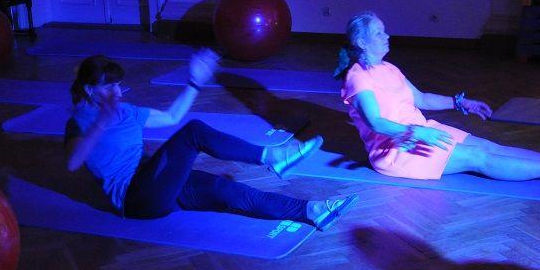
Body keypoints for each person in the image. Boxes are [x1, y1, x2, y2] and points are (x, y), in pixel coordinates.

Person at [65, 51, 356, 230]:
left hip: (158, 181)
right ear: (90, 90)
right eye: (109, 87)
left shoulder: (126, 111)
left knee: (229, 191)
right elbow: (73, 162)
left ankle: (312, 211)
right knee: (193, 133)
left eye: (118, 85)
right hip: (136, 199)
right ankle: (274, 157)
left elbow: (171, 116)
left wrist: (194, 81)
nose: (117, 92)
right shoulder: (79, 123)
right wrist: (102, 122)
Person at [334, 12, 540, 187]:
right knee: (478, 157)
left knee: (488, 145)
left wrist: (459, 103)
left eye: (384, 31)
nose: (387, 36)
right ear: (362, 42)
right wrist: (416, 132)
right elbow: (376, 122)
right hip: (396, 150)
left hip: (422, 131)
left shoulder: (389, 68)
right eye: (379, 33)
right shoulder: (358, 77)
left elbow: (422, 99)